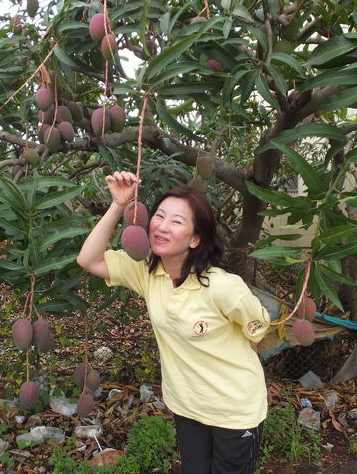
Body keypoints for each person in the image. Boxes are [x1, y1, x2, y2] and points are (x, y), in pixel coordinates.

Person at [77, 171, 271, 474]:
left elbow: (258, 330)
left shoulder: (223, 287)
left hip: (234, 411)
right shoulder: (147, 273)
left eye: (177, 221)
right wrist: (117, 206)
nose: (162, 227)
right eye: (160, 216)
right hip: (187, 407)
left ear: (196, 239)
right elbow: (89, 260)